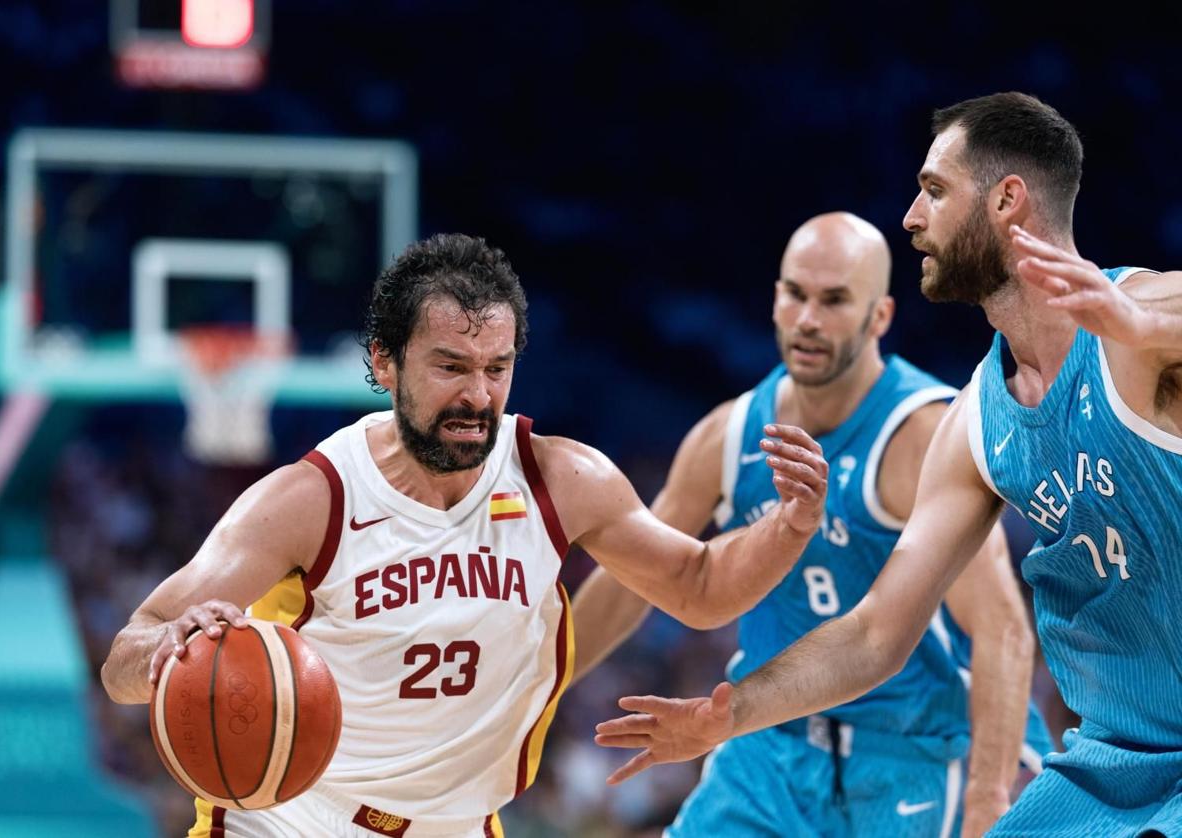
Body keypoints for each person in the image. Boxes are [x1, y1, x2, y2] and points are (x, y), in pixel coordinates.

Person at [100, 233, 829, 838]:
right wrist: (167, 651)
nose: (477, 396)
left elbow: (701, 589)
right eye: (450, 367)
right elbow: (127, 655)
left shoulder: (561, 479)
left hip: (460, 824)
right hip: (290, 819)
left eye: (497, 368)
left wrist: (791, 526)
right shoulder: (311, 498)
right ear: (385, 362)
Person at [595, 92, 1182, 837]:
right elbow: (876, 634)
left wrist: (1146, 327)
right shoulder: (974, 420)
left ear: (1007, 201)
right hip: (1116, 760)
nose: (910, 216)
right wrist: (729, 714)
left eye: (935, 190)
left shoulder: (1143, 321)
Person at [572, 212, 1049, 838]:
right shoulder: (728, 435)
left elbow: (1002, 631)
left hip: (911, 751)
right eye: (795, 294)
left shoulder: (923, 434)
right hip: (769, 748)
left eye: (833, 301)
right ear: (774, 298)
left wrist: (987, 801)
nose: (808, 319)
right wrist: (530, 690)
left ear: (879, 316)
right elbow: (630, 579)